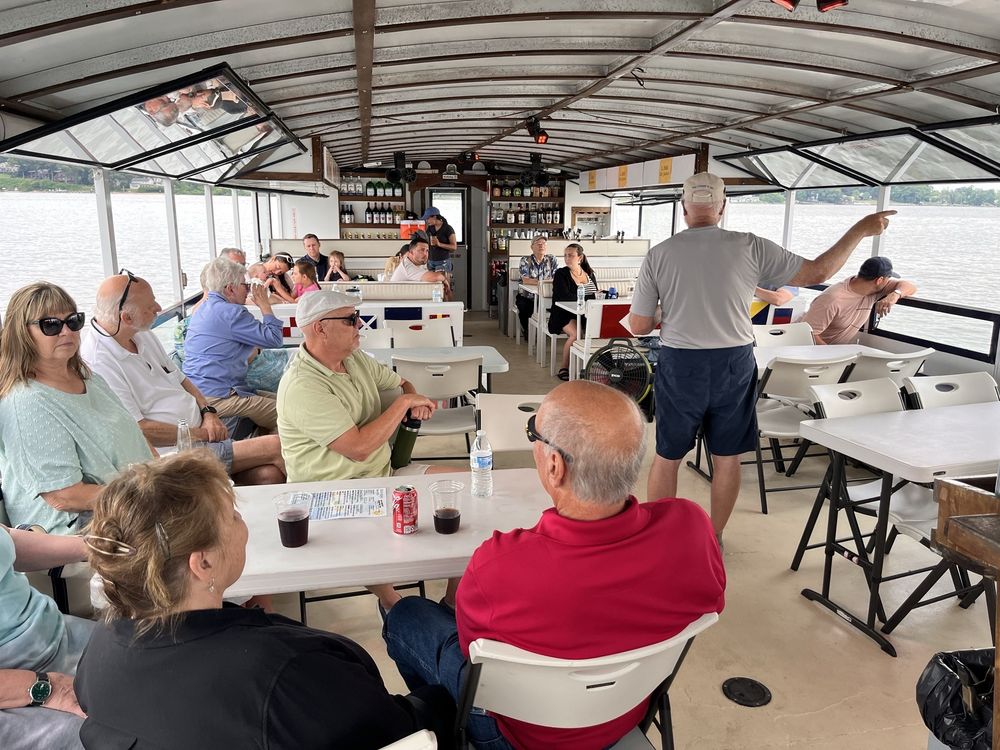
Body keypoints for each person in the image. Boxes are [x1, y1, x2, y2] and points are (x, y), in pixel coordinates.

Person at [382, 381, 726, 750]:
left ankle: (445, 720)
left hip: (516, 737)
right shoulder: (692, 527)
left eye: (534, 433)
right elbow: (711, 601)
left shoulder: (497, 565)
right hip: (624, 714)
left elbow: (471, 652)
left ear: (554, 465)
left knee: (407, 615)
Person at [75, 451, 455, 749]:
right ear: (203, 563)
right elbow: (398, 732)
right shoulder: (284, 671)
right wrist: (445, 699)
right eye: (232, 516)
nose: (243, 525)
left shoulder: (101, 647)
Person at [629, 172, 896, 542]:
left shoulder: (659, 254)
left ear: (684, 208)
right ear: (722, 207)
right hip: (734, 363)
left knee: (668, 455)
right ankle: (714, 537)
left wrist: (665, 311)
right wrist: (860, 230)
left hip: (681, 363)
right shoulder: (750, 246)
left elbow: (640, 325)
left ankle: (661, 539)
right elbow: (819, 271)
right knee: (727, 458)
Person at [276, 290, 459, 608]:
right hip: (332, 495)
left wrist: (412, 398)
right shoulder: (303, 385)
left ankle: (452, 604)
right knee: (399, 535)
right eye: (351, 319)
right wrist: (405, 403)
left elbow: (401, 383)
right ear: (320, 328)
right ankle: (393, 604)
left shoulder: (354, 359)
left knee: (467, 491)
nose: (360, 324)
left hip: (383, 476)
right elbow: (358, 448)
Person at [80, 272, 286, 485]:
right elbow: (139, 429)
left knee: (269, 475)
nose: (159, 307)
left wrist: (208, 412)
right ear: (127, 318)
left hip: (202, 431)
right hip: (175, 455)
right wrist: (201, 434)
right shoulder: (99, 361)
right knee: (275, 445)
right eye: (150, 306)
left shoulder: (140, 333)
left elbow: (181, 378)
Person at [0, 283, 153, 533]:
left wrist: (163, 477)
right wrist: (146, 498)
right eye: (51, 325)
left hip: (130, 499)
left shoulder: (89, 378)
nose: (66, 331)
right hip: (79, 526)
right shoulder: (25, 402)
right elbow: (64, 497)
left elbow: (136, 437)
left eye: (73, 321)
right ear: (22, 333)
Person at [0, 526, 94, 750]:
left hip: (55, 631)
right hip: (15, 690)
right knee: (107, 734)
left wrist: (93, 546)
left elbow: (9, 544)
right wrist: (52, 689)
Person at [182, 257, 283, 432]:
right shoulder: (232, 312)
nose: (248, 290)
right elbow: (274, 338)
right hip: (218, 396)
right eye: (245, 285)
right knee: (290, 414)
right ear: (230, 289)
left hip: (200, 392)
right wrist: (264, 305)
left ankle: (266, 443)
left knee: (285, 401)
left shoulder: (202, 309)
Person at [800, 256, 917, 344]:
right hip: (808, 351)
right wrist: (832, 355)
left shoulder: (874, 290)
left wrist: (895, 294)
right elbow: (807, 334)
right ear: (879, 280)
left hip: (833, 352)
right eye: (888, 278)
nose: (889, 281)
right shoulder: (832, 299)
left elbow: (911, 287)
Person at [547, 243, 597, 381]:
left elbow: (594, 296)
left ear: (580, 258)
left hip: (585, 314)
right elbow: (564, 296)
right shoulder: (561, 274)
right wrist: (587, 298)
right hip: (563, 314)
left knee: (600, 331)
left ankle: (598, 367)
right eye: (565, 255)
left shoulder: (589, 274)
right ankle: (564, 367)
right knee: (576, 334)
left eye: (571, 255)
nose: (567, 258)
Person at [515, 234, 558, 341]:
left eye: (543, 244)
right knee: (523, 307)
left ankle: (550, 331)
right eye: (538, 244)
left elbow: (556, 279)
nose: (541, 246)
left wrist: (538, 282)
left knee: (558, 307)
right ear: (532, 247)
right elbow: (526, 280)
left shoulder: (551, 259)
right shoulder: (525, 260)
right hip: (528, 296)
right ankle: (528, 331)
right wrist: (543, 282)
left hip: (547, 296)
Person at [422, 207, 457, 276]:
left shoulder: (448, 228)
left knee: (444, 282)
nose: (426, 221)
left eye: (428, 218)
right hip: (430, 262)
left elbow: (454, 247)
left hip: (443, 262)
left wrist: (439, 244)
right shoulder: (430, 228)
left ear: (434, 217)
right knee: (431, 283)